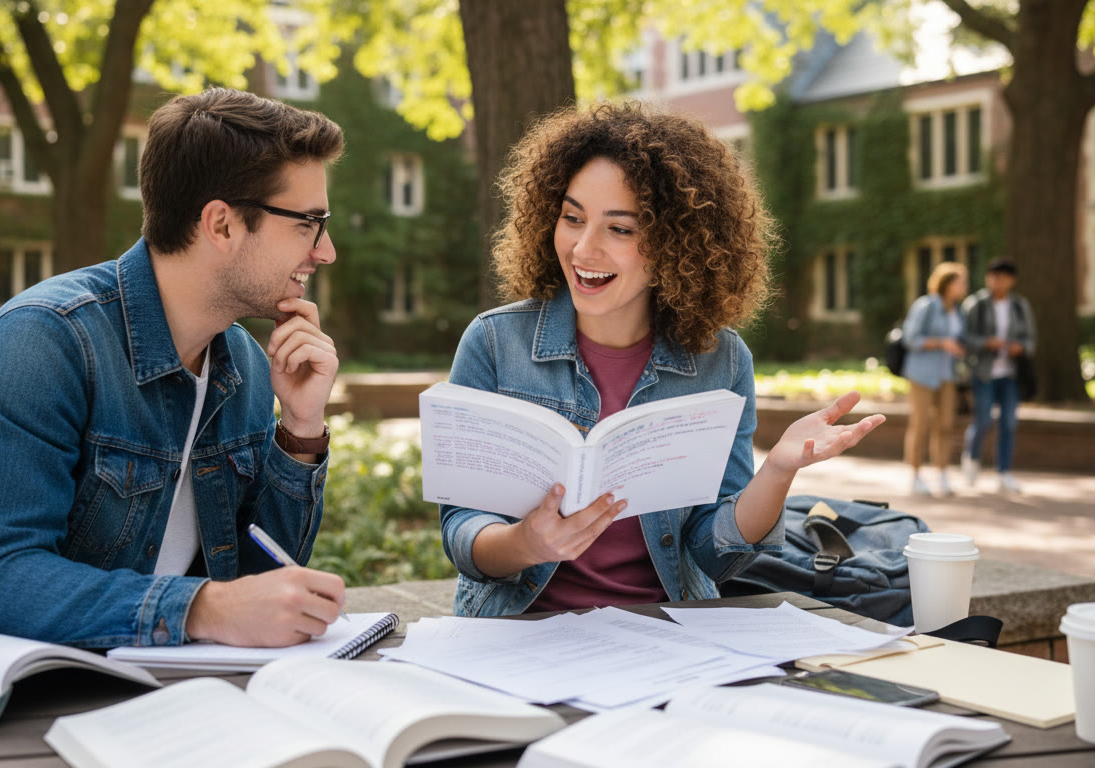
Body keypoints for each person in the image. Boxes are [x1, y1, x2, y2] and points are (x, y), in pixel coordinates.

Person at [0, 88, 348, 648]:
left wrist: (300, 431)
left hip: (143, 685)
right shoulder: (45, 340)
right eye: (308, 224)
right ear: (222, 225)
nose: (325, 252)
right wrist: (201, 607)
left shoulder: (248, 368)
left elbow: (259, 592)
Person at [439, 102, 885, 617]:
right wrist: (527, 544)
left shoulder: (722, 361)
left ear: (677, 244)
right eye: (572, 218)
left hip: (667, 631)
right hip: (520, 629)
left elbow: (713, 555)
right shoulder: (494, 344)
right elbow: (461, 528)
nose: (584, 249)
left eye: (620, 229)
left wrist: (778, 472)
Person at [961, 259, 1036, 493]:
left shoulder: (1020, 307)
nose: (997, 281)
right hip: (983, 373)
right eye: (993, 276)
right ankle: (972, 458)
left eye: (1003, 277)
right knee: (982, 420)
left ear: (1011, 280)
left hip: (1010, 374)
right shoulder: (976, 305)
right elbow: (963, 339)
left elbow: (1031, 341)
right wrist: (986, 343)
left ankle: (1004, 471)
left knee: (1008, 423)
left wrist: (1020, 347)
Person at [900, 261, 969, 497]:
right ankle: (915, 474)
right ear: (947, 284)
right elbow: (910, 338)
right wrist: (942, 343)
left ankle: (942, 473)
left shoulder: (958, 310)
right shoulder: (926, 305)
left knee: (946, 424)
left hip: (947, 374)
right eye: (960, 282)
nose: (964, 286)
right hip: (922, 374)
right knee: (920, 424)